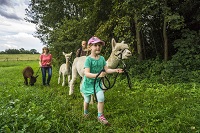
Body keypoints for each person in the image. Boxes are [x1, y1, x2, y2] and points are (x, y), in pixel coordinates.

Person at [81, 36, 124, 125]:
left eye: (99, 45)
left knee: (101, 97)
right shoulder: (88, 60)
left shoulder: (102, 59)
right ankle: (85, 112)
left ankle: (100, 116)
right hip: (88, 83)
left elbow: (107, 70)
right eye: (95, 45)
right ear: (90, 47)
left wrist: (115, 70)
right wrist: (98, 75)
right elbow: (87, 73)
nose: (98, 47)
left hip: (98, 83)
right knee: (87, 100)